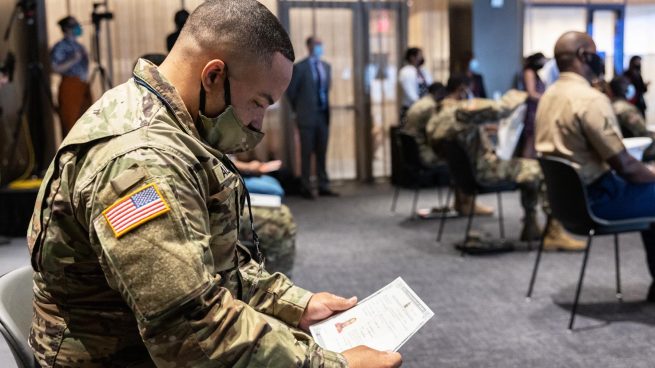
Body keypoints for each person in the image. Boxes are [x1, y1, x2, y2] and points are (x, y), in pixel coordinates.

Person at [27, 1, 403, 367]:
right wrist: (330, 364)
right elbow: (190, 334)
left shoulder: (171, 122)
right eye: (259, 102)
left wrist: (296, 304)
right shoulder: (143, 163)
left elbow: (220, 267)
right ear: (213, 76)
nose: (258, 124)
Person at [535, 31, 655, 301]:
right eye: (596, 52)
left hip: (564, 202)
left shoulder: (548, 96)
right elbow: (624, 166)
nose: (600, 58)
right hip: (597, 200)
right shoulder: (589, 99)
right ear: (583, 55)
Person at [426, 76, 584, 250]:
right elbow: (501, 108)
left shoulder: (439, 113)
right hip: (485, 171)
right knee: (543, 171)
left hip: (466, 175)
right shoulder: (460, 110)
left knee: (528, 171)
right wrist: (522, 94)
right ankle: (554, 233)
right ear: (463, 90)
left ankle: (531, 227)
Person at [404, 81, 493, 216]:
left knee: (457, 153)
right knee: (464, 159)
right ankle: (466, 204)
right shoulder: (430, 107)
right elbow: (437, 131)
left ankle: (461, 202)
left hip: (415, 153)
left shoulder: (423, 103)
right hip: (424, 155)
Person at [287, 36, 338, 199]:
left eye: (321, 44)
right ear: (308, 46)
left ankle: (323, 185)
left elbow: (326, 89)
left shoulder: (326, 67)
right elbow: (291, 92)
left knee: (322, 151)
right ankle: (306, 186)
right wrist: (299, 110)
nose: (319, 47)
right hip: (306, 116)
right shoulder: (300, 68)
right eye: (317, 44)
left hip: (323, 115)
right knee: (306, 152)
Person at [51, 16, 91, 137]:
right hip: (70, 86)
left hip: (83, 85)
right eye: (74, 25)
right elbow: (55, 68)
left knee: (87, 121)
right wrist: (72, 60)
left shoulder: (80, 46)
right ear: (67, 29)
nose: (78, 27)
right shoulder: (60, 46)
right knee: (70, 124)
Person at [519, 53, 547, 158]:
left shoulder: (535, 73)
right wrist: (546, 98)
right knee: (530, 142)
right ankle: (527, 169)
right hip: (532, 111)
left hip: (536, 110)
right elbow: (531, 93)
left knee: (534, 142)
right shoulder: (529, 72)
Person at [398, 47, 433, 123]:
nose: (422, 58)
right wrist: (421, 104)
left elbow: (430, 85)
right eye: (420, 55)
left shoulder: (423, 70)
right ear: (412, 57)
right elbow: (410, 93)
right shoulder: (406, 72)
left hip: (424, 107)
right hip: (411, 108)